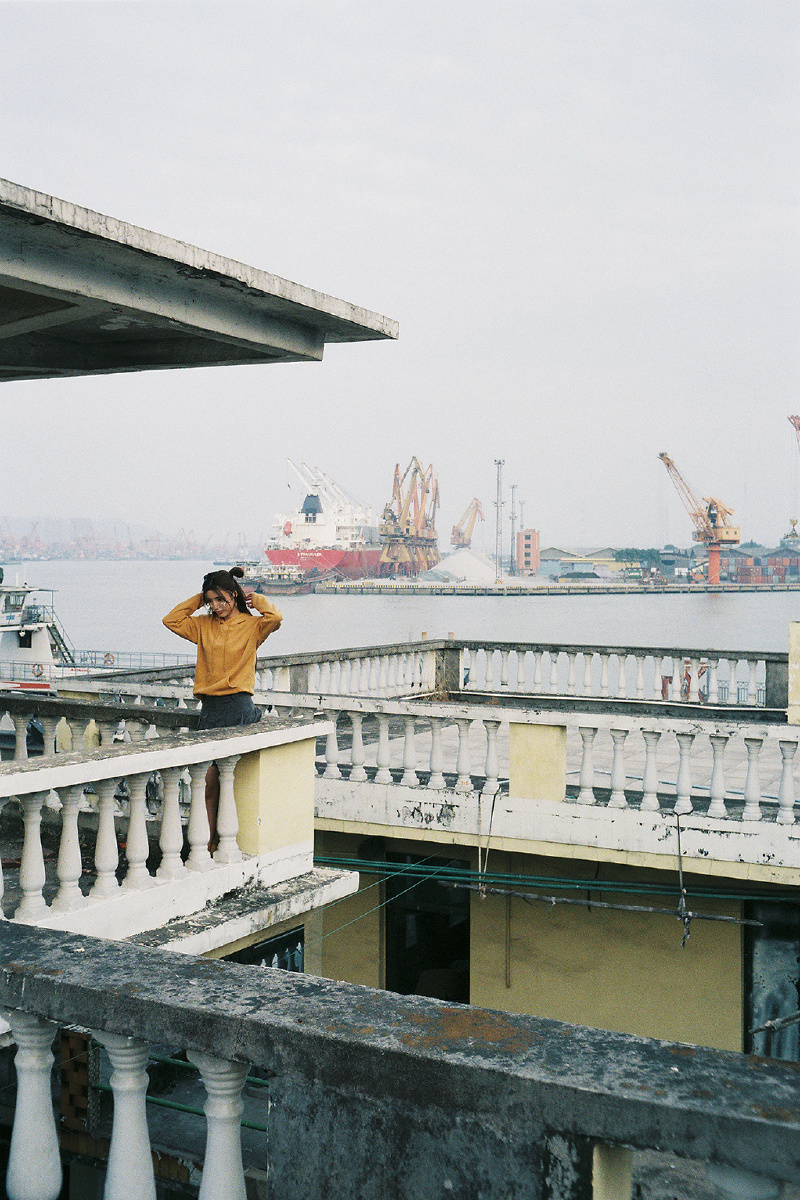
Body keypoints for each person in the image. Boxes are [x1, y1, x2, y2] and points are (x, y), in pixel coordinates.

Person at [163, 567, 282, 848]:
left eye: (221, 599)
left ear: (233, 594)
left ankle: (223, 844)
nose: (216, 606)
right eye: (211, 601)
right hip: (210, 710)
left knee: (232, 782)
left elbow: (275, 618)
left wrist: (257, 600)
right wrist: (199, 598)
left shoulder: (252, 626)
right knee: (208, 785)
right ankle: (208, 845)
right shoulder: (203, 625)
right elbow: (171, 620)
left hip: (238, 707)